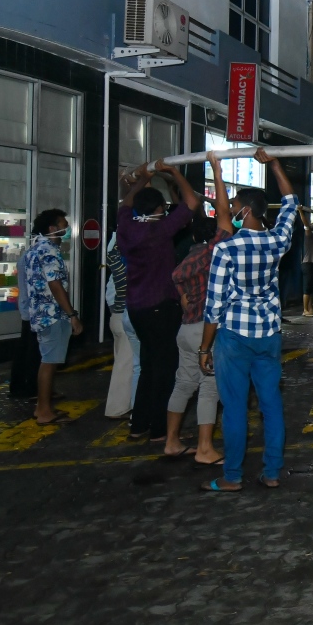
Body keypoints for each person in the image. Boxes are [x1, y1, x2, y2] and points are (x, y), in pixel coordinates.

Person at [198, 149, 299, 493]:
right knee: (271, 405)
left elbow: (214, 306)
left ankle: (232, 476)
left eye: (234, 206)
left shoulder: (226, 249)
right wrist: (275, 165)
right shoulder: (277, 241)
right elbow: (291, 202)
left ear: (245, 211)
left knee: (235, 408)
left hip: (234, 337)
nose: (230, 211)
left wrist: (204, 348)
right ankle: (272, 472)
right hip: (268, 333)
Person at [117, 162, 200, 441]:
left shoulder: (126, 227)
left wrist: (142, 180)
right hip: (161, 307)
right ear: (159, 209)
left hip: (135, 307)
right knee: (165, 369)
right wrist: (173, 172)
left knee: (148, 366)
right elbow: (191, 203)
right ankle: (159, 429)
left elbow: (126, 205)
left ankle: (139, 425)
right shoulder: (159, 230)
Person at [165, 157, 234, 464]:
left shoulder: (185, 263)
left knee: (183, 383)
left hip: (185, 329)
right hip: (207, 330)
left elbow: (178, 285)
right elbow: (224, 213)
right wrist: (217, 173)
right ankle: (205, 448)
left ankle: (171, 441)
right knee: (209, 388)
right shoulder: (215, 252)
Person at [18, 209, 81, 425]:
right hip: (53, 315)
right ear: (52, 228)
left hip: (39, 314)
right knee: (49, 362)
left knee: (47, 360)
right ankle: (44, 410)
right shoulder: (50, 252)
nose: (67, 228)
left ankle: (42, 407)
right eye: (63, 224)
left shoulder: (34, 250)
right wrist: (71, 314)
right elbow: (55, 285)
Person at [103, 233, 140, 419]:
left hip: (116, 315)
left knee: (124, 362)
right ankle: (117, 409)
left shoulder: (115, 260)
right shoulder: (127, 266)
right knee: (126, 365)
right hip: (125, 316)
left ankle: (122, 406)